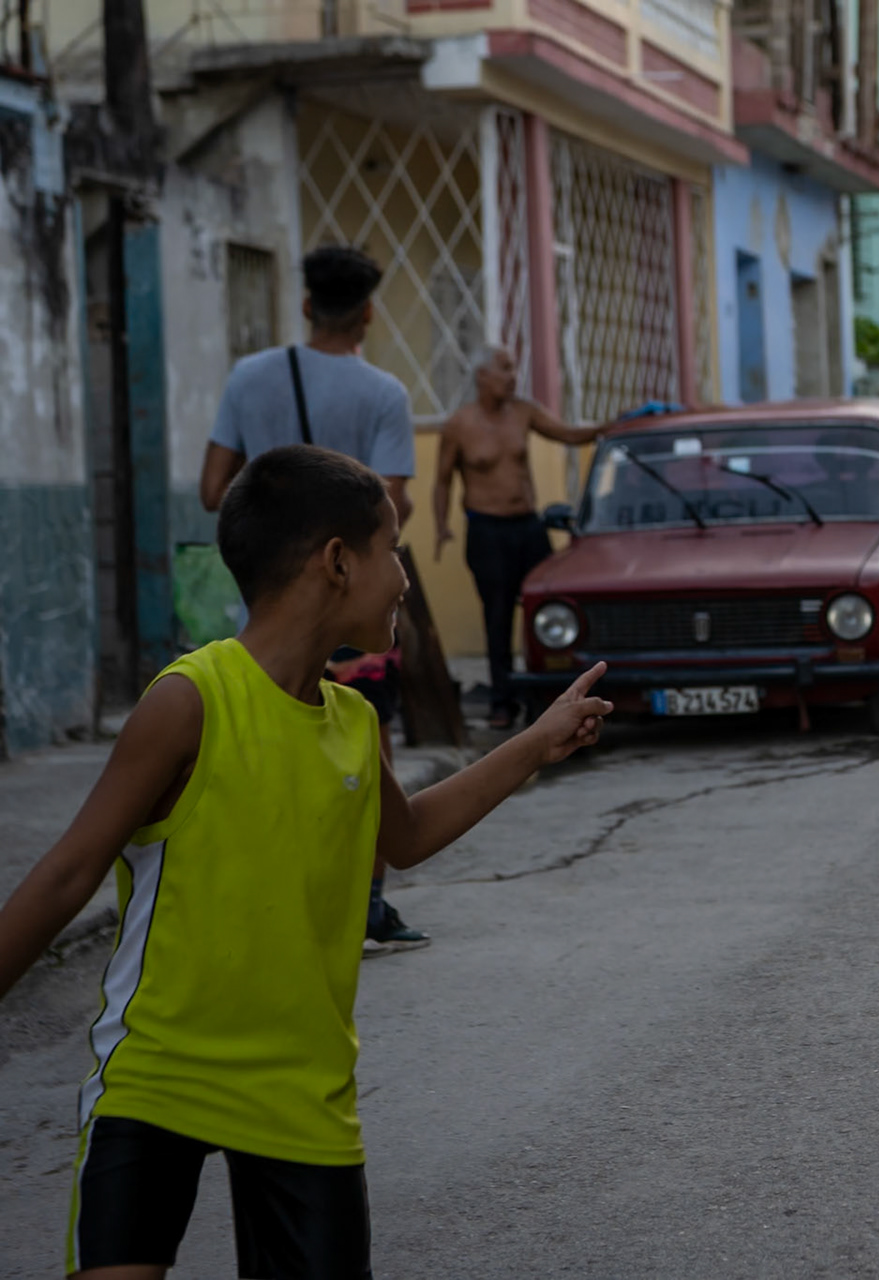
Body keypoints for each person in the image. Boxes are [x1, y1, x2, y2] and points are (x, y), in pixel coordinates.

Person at [0, 446, 613, 1278]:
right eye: (391, 549)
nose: (404, 578)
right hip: (157, 1077)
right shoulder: (190, 701)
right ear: (336, 561)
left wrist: (535, 744)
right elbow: (69, 873)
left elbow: (407, 836)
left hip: (303, 1096)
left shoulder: (353, 722)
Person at [199, 243, 428, 953]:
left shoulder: (249, 377)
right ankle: (368, 905)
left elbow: (212, 490)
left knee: (262, 748)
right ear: (368, 314)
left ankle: (272, 897)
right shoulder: (383, 394)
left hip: (269, 608)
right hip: (350, 607)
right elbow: (392, 507)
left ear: (305, 304)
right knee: (365, 742)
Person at [436, 347, 617, 729]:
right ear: (482, 376)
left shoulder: (523, 412)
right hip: (488, 530)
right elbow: (442, 480)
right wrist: (441, 526)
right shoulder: (459, 424)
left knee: (550, 605)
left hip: (528, 526)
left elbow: (569, 434)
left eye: (514, 368)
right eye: (504, 369)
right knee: (498, 615)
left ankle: (552, 697)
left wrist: (611, 427)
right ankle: (502, 702)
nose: (512, 376)